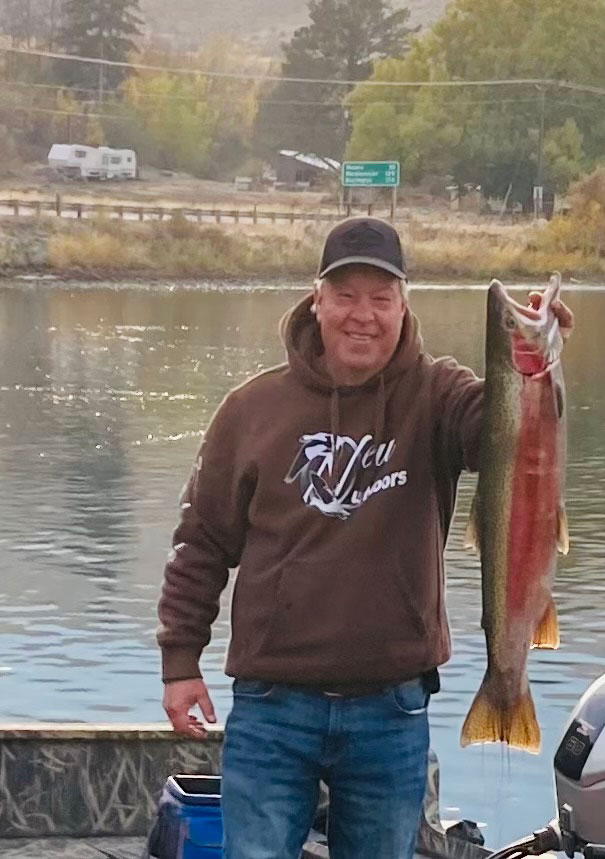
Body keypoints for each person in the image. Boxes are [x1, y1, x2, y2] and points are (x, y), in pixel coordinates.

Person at [157, 216, 573, 859]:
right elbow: (201, 543)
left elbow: (500, 437)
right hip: (271, 707)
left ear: (403, 305)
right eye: (346, 295)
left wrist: (529, 372)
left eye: (381, 298)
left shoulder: (437, 394)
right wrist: (181, 662)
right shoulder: (251, 409)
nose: (363, 315)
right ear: (316, 300)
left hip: (391, 709)